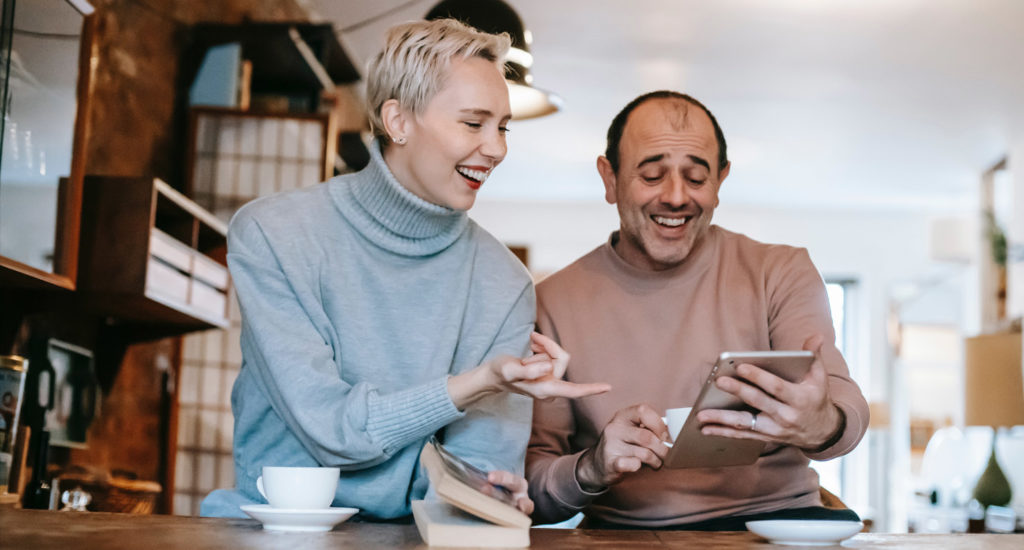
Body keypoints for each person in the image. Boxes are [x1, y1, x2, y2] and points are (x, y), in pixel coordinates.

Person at [200, 19, 608, 519]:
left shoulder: (503, 282)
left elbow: (476, 472)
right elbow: (332, 432)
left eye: (502, 127)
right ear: (397, 121)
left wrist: (490, 495)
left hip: (420, 537)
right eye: (473, 123)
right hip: (275, 531)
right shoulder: (274, 233)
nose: (498, 148)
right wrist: (478, 381)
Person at [525, 90, 869, 530]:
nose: (675, 196)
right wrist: (591, 467)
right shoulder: (553, 301)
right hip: (627, 537)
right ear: (609, 179)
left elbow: (845, 405)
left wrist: (820, 423)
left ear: (721, 181)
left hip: (776, 524)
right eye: (651, 175)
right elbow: (532, 487)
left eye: (696, 177)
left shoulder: (780, 271)